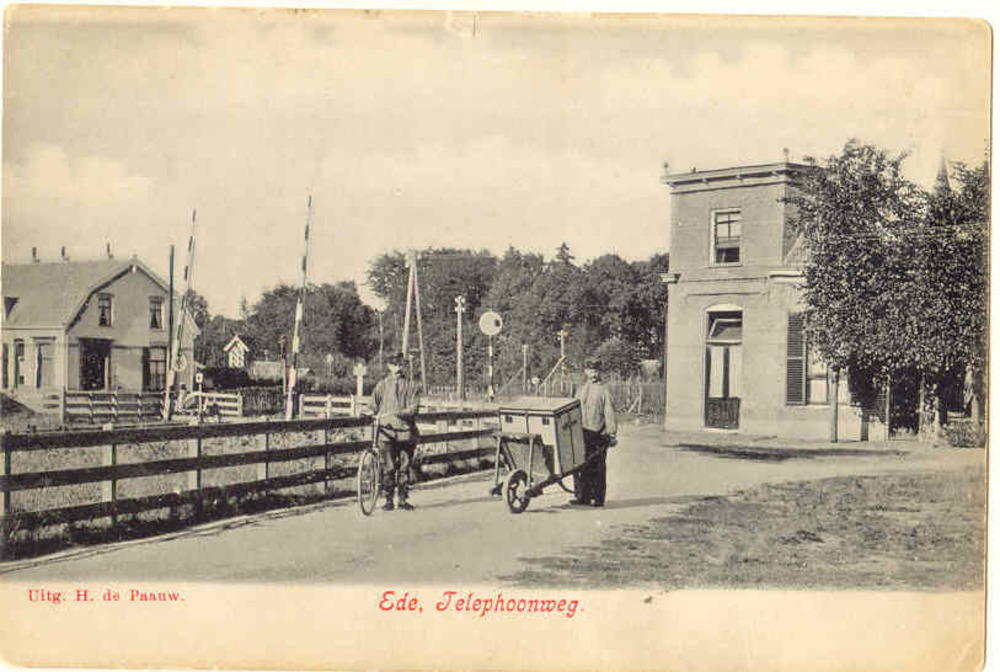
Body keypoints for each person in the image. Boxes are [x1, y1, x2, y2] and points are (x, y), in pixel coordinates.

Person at [369, 352, 422, 511]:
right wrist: (369, 411)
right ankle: (388, 500)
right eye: (394, 364)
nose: (397, 368)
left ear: (404, 366)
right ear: (389, 366)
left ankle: (403, 500)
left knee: (404, 467)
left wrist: (401, 413)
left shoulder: (412, 386)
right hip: (386, 432)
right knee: (389, 467)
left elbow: (414, 407)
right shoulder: (382, 385)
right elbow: (373, 404)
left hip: (406, 432)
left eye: (400, 364)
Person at [570, 356, 618, 507]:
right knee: (582, 466)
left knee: (598, 467)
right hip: (582, 433)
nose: (593, 373)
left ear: (600, 371)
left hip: (598, 434)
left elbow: (609, 413)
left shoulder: (604, 391)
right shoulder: (581, 389)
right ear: (585, 371)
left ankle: (598, 498)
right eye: (590, 370)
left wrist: (611, 433)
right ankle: (583, 497)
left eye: (596, 370)